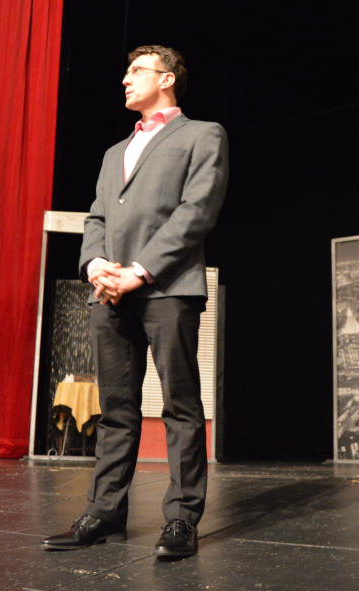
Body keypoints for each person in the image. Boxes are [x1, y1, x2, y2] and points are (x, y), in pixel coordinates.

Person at [42, 45, 229, 558]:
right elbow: (97, 216)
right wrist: (94, 266)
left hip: (167, 287)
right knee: (115, 410)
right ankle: (104, 513)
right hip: (109, 294)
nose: (125, 79)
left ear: (167, 79)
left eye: (137, 70)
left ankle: (181, 518)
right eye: (126, 71)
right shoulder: (113, 153)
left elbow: (197, 211)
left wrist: (139, 271)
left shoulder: (202, 134)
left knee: (180, 405)